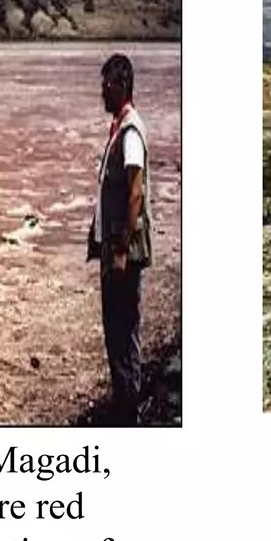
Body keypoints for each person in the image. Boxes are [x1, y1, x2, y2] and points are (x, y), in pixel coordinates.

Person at [87, 53, 150, 423]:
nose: (102, 92)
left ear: (122, 85)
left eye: (107, 85)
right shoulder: (120, 127)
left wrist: (123, 248)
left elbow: (135, 192)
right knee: (117, 328)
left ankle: (128, 410)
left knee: (122, 328)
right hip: (113, 245)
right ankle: (125, 402)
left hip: (122, 249)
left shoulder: (130, 133)